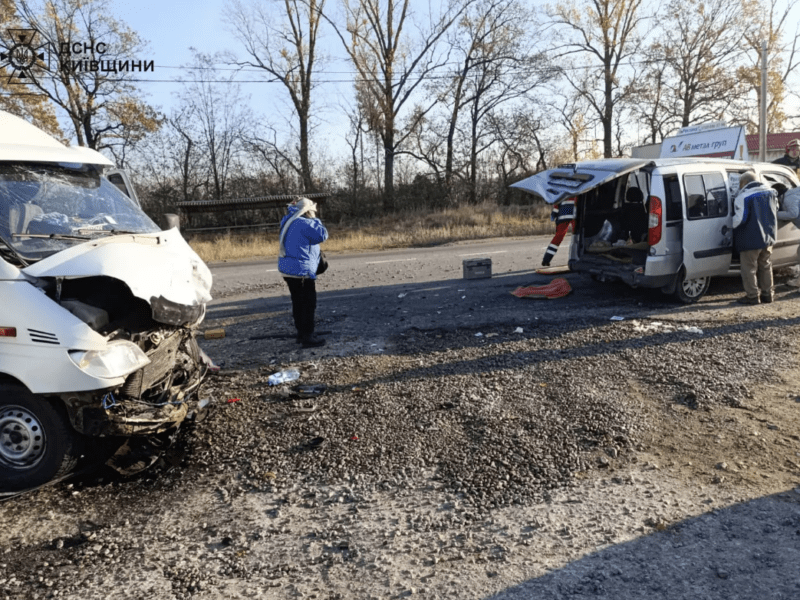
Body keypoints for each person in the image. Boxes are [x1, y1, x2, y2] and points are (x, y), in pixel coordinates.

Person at [278, 197, 329, 347]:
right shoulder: (304, 223)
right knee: (308, 304)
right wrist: (315, 219)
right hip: (301, 271)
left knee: (298, 303)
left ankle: (302, 333)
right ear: (307, 211)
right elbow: (322, 235)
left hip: (289, 270)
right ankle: (308, 337)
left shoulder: (288, 220)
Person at [732, 171, 778, 305]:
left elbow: (740, 220)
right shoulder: (771, 192)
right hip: (768, 237)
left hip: (750, 239)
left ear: (744, 183)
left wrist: (728, 224)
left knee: (749, 268)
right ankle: (768, 295)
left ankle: (752, 297)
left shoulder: (744, 197)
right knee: (765, 265)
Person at [541, 196, 576, 266]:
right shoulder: (579, 185)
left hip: (564, 214)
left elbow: (557, 202)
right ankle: (576, 260)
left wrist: (554, 214)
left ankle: (546, 260)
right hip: (575, 214)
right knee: (577, 236)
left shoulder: (561, 187)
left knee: (558, 237)